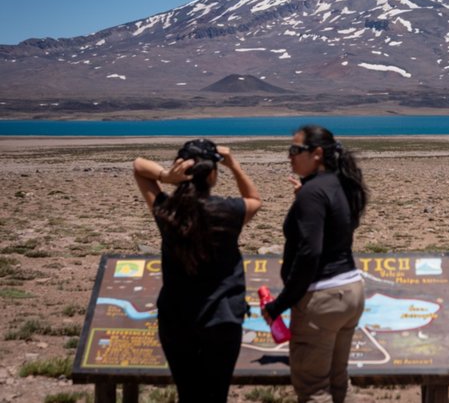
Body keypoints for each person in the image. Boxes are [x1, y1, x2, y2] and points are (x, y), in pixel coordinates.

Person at [133, 139, 261, 403]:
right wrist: (234, 164)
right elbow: (254, 199)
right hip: (223, 316)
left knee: (188, 393)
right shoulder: (229, 211)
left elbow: (138, 167)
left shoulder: (167, 212)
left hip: (177, 318)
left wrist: (165, 176)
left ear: (181, 169)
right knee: (217, 395)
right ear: (212, 175)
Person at [262, 125, 368, 403]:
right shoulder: (339, 185)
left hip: (322, 300)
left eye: (296, 150)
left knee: (314, 389)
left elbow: (310, 253)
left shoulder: (314, 193)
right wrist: (305, 196)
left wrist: (280, 304)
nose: (290, 156)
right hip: (350, 291)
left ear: (317, 153)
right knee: (338, 380)